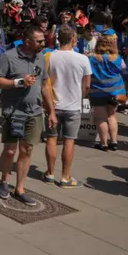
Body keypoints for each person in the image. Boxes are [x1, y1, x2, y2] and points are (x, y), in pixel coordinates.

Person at [0, 24, 55, 206]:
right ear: (28, 41)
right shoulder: (9, 57)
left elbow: (44, 85)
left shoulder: (41, 58)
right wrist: (19, 82)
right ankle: (4, 181)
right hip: (14, 111)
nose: (44, 43)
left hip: (34, 112)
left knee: (27, 150)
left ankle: (20, 188)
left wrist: (51, 111)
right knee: (10, 150)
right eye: (40, 41)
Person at [44, 26, 91, 188]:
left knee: (51, 138)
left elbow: (44, 82)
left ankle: (50, 173)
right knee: (69, 141)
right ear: (74, 39)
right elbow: (87, 86)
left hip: (53, 105)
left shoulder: (50, 57)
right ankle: (65, 177)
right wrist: (82, 98)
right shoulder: (83, 59)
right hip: (73, 106)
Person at [89, 35, 126, 151]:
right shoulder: (117, 58)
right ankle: (114, 142)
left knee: (101, 118)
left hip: (97, 92)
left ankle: (103, 143)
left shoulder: (92, 58)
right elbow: (123, 69)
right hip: (115, 92)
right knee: (111, 116)